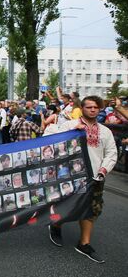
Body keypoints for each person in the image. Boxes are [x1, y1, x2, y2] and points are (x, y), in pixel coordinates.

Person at [48, 96, 117, 263]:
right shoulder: (69, 125)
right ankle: (56, 226)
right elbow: (51, 138)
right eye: (89, 107)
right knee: (64, 204)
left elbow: (111, 153)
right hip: (70, 175)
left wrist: (103, 170)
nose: (93, 110)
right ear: (82, 108)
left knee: (91, 209)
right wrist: (71, 133)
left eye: (96, 107)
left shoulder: (105, 131)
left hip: (95, 176)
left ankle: (84, 243)